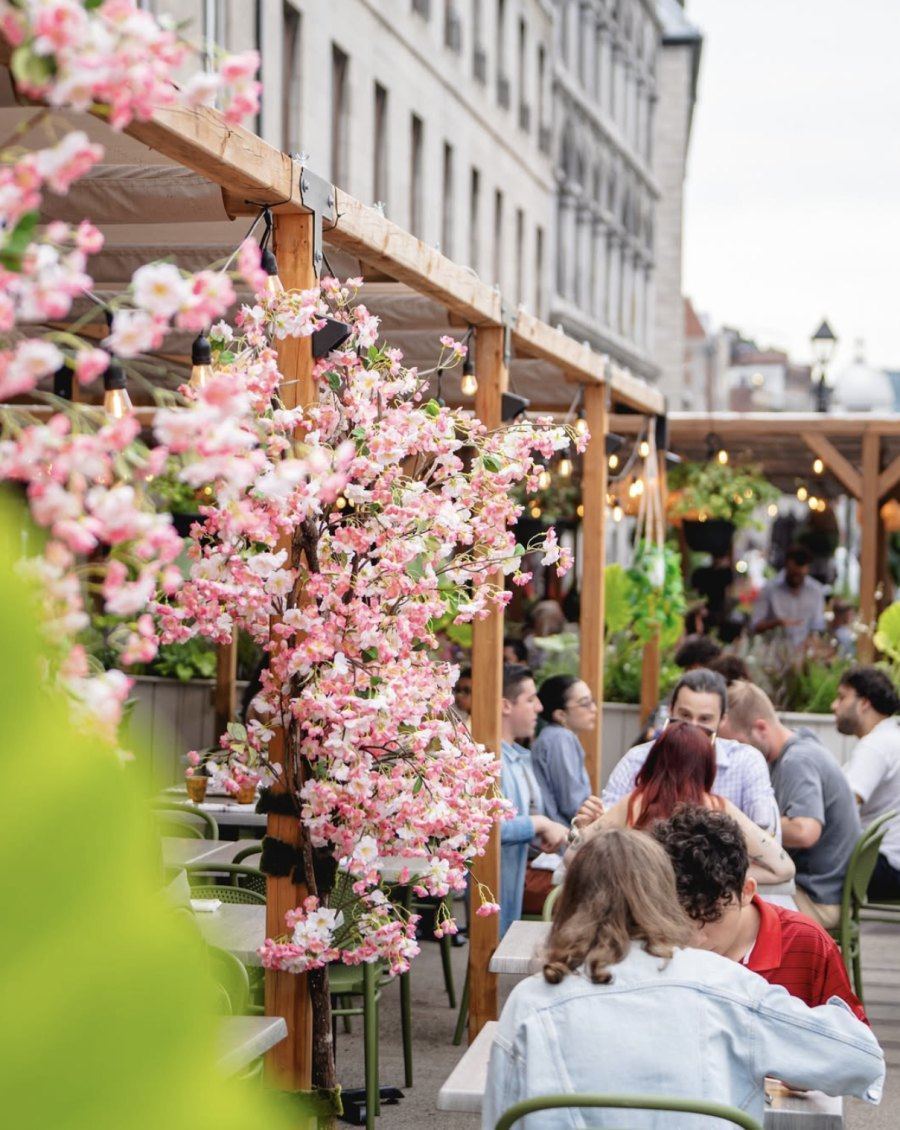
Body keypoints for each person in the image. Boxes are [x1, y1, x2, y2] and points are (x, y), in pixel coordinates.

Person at [483, 829, 884, 1130]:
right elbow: (861, 1058)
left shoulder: (529, 1001)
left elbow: (502, 1117)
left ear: (569, 902)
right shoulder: (722, 982)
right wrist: (788, 1056)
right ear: (665, 895)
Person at [653, 805, 866, 1021]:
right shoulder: (645, 941)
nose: (696, 939)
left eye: (711, 916)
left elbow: (856, 1043)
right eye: (679, 919)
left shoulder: (807, 944)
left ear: (746, 891)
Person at [573, 722, 793, 884]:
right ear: (707, 766)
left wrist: (630, 872)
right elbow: (783, 867)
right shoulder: (717, 808)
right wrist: (718, 875)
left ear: (655, 760)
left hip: (640, 911)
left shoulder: (635, 803)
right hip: (701, 920)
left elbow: (573, 855)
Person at [720, 680, 860, 929]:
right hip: (822, 888)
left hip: (817, 900)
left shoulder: (797, 761)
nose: (736, 755)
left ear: (761, 728)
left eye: (739, 744)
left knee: (721, 905)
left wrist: (743, 826)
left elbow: (806, 831)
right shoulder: (796, 746)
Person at [601, 669, 780, 833]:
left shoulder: (745, 762)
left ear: (722, 720)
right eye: (685, 716)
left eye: (705, 719)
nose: (693, 727)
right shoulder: (638, 759)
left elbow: (767, 832)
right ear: (670, 711)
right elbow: (605, 827)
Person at [499, 665, 568, 936]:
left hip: (519, 874)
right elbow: (490, 829)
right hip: (499, 886)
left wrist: (540, 831)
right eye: (530, 699)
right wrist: (539, 824)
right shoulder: (492, 760)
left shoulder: (517, 757)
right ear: (506, 705)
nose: (539, 707)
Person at [834, 666, 900, 900]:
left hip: (879, 866)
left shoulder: (876, 745)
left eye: (842, 697)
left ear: (865, 703)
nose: (834, 705)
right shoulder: (891, 736)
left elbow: (844, 806)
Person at [531, 676, 594, 825]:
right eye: (585, 703)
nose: (594, 709)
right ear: (560, 715)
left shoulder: (556, 736)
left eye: (593, 701)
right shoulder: (559, 738)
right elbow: (572, 804)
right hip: (561, 837)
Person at [751, 545, 826, 647]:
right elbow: (755, 625)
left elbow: (818, 626)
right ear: (786, 565)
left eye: (800, 574)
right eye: (794, 573)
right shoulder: (769, 589)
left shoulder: (816, 591)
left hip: (803, 651)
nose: (797, 577)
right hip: (773, 650)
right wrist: (776, 624)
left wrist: (812, 642)